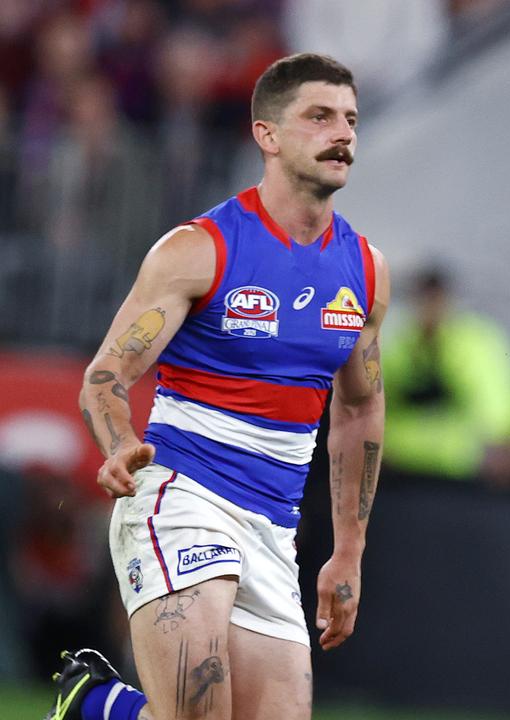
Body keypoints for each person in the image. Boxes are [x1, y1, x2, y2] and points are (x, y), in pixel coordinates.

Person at [46, 52, 389, 720]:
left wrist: (349, 550)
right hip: (182, 497)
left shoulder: (367, 270)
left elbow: (358, 408)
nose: (341, 133)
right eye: (319, 117)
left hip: (274, 527)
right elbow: (106, 376)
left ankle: (97, 708)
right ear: (267, 134)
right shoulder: (199, 249)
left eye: (350, 119)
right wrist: (119, 445)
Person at [381, 265, 510, 489]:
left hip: (463, 469)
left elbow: (498, 406)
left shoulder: (476, 341)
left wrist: (502, 445)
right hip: (400, 467)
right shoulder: (396, 341)